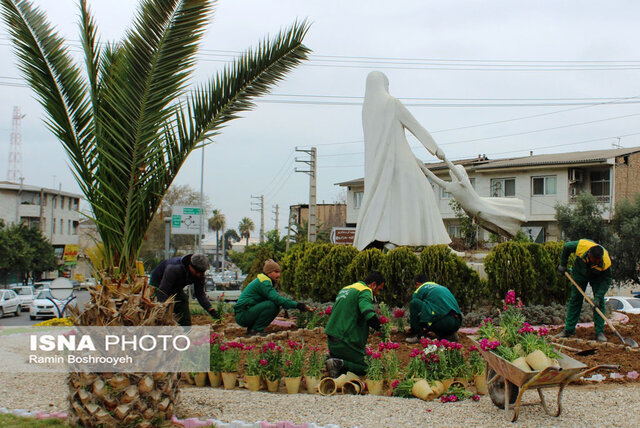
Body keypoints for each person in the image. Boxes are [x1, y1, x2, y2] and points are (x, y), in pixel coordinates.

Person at [353, 71, 451, 251]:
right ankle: (436, 243)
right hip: (400, 161)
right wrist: (435, 149)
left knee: (389, 202)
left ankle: (392, 240)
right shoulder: (392, 103)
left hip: (379, 166)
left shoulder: (366, 110)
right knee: (423, 193)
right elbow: (416, 127)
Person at [324, 271, 385, 377]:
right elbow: (367, 313)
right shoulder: (365, 290)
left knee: (364, 359)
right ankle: (339, 364)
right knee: (375, 366)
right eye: (379, 289)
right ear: (373, 285)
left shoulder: (346, 289)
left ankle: (335, 358)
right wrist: (380, 328)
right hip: (344, 342)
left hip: (332, 341)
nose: (378, 293)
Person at [234, 259, 310, 336]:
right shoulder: (264, 282)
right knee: (272, 305)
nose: (279, 275)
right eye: (276, 272)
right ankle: (255, 330)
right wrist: (298, 305)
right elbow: (276, 299)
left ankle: (253, 329)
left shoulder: (263, 280)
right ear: (268, 272)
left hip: (245, 313)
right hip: (242, 315)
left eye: (279, 272)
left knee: (273, 304)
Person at [556, 239, 612, 342]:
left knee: (599, 304)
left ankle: (599, 332)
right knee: (575, 299)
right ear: (589, 254)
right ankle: (568, 330)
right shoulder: (582, 246)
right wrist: (563, 264)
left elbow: (606, 281)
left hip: (598, 276)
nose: (595, 262)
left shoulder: (606, 262)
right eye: (593, 260)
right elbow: (567, 246)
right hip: (580, 272)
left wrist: (598, 298)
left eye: (597, 261)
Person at [150, 253, 218, 326]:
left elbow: (200, 294)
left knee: (183, 302)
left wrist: (210, 310)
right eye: (196, 272)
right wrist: (162, 308)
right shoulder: (174, 269)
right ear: (190, 266)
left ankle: (186, 330)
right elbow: (163, 291)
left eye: (201, 273)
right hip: (158, 283)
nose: (198, 275)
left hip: (176, 286)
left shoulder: (200, 274)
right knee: (162, 309)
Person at [407, 274, 462, 343]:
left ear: (418, 284)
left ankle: (420, 336)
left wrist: (414, 328)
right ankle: (450, 334)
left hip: (443, 322)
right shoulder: (441, 287)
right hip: (457, 322)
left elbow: (416, 309)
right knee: (439, 311)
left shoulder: (420, 289)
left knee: (414, 303)